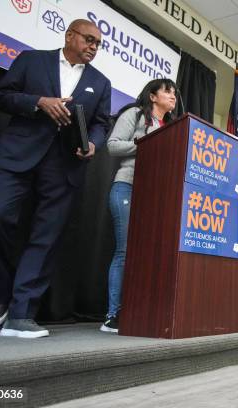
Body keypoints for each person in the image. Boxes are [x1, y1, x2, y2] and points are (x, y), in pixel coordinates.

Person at [0, 19, 111, 339]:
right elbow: (2, 96)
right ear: (70, 35)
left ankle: (22, 313)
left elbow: (101, 124)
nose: (93, 46)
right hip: (16, 156)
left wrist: (93, 143)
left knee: (45, 238)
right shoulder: (31, 60)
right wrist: (38, 102)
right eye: (89, 39)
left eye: (98, 43)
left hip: (65, 166)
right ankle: (1, 296)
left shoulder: (100, 82)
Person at [100, 79, 177, 333]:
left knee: (148, 254)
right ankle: (113, 315)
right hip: (128, 187)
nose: (173, 96)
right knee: (125, 251)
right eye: (168, 91)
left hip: (157, 196)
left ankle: (139, 311)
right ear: (153, 96)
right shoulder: (134, 114)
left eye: (175, 93)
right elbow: (112, 146)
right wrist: (146, 143)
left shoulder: (172, 126)